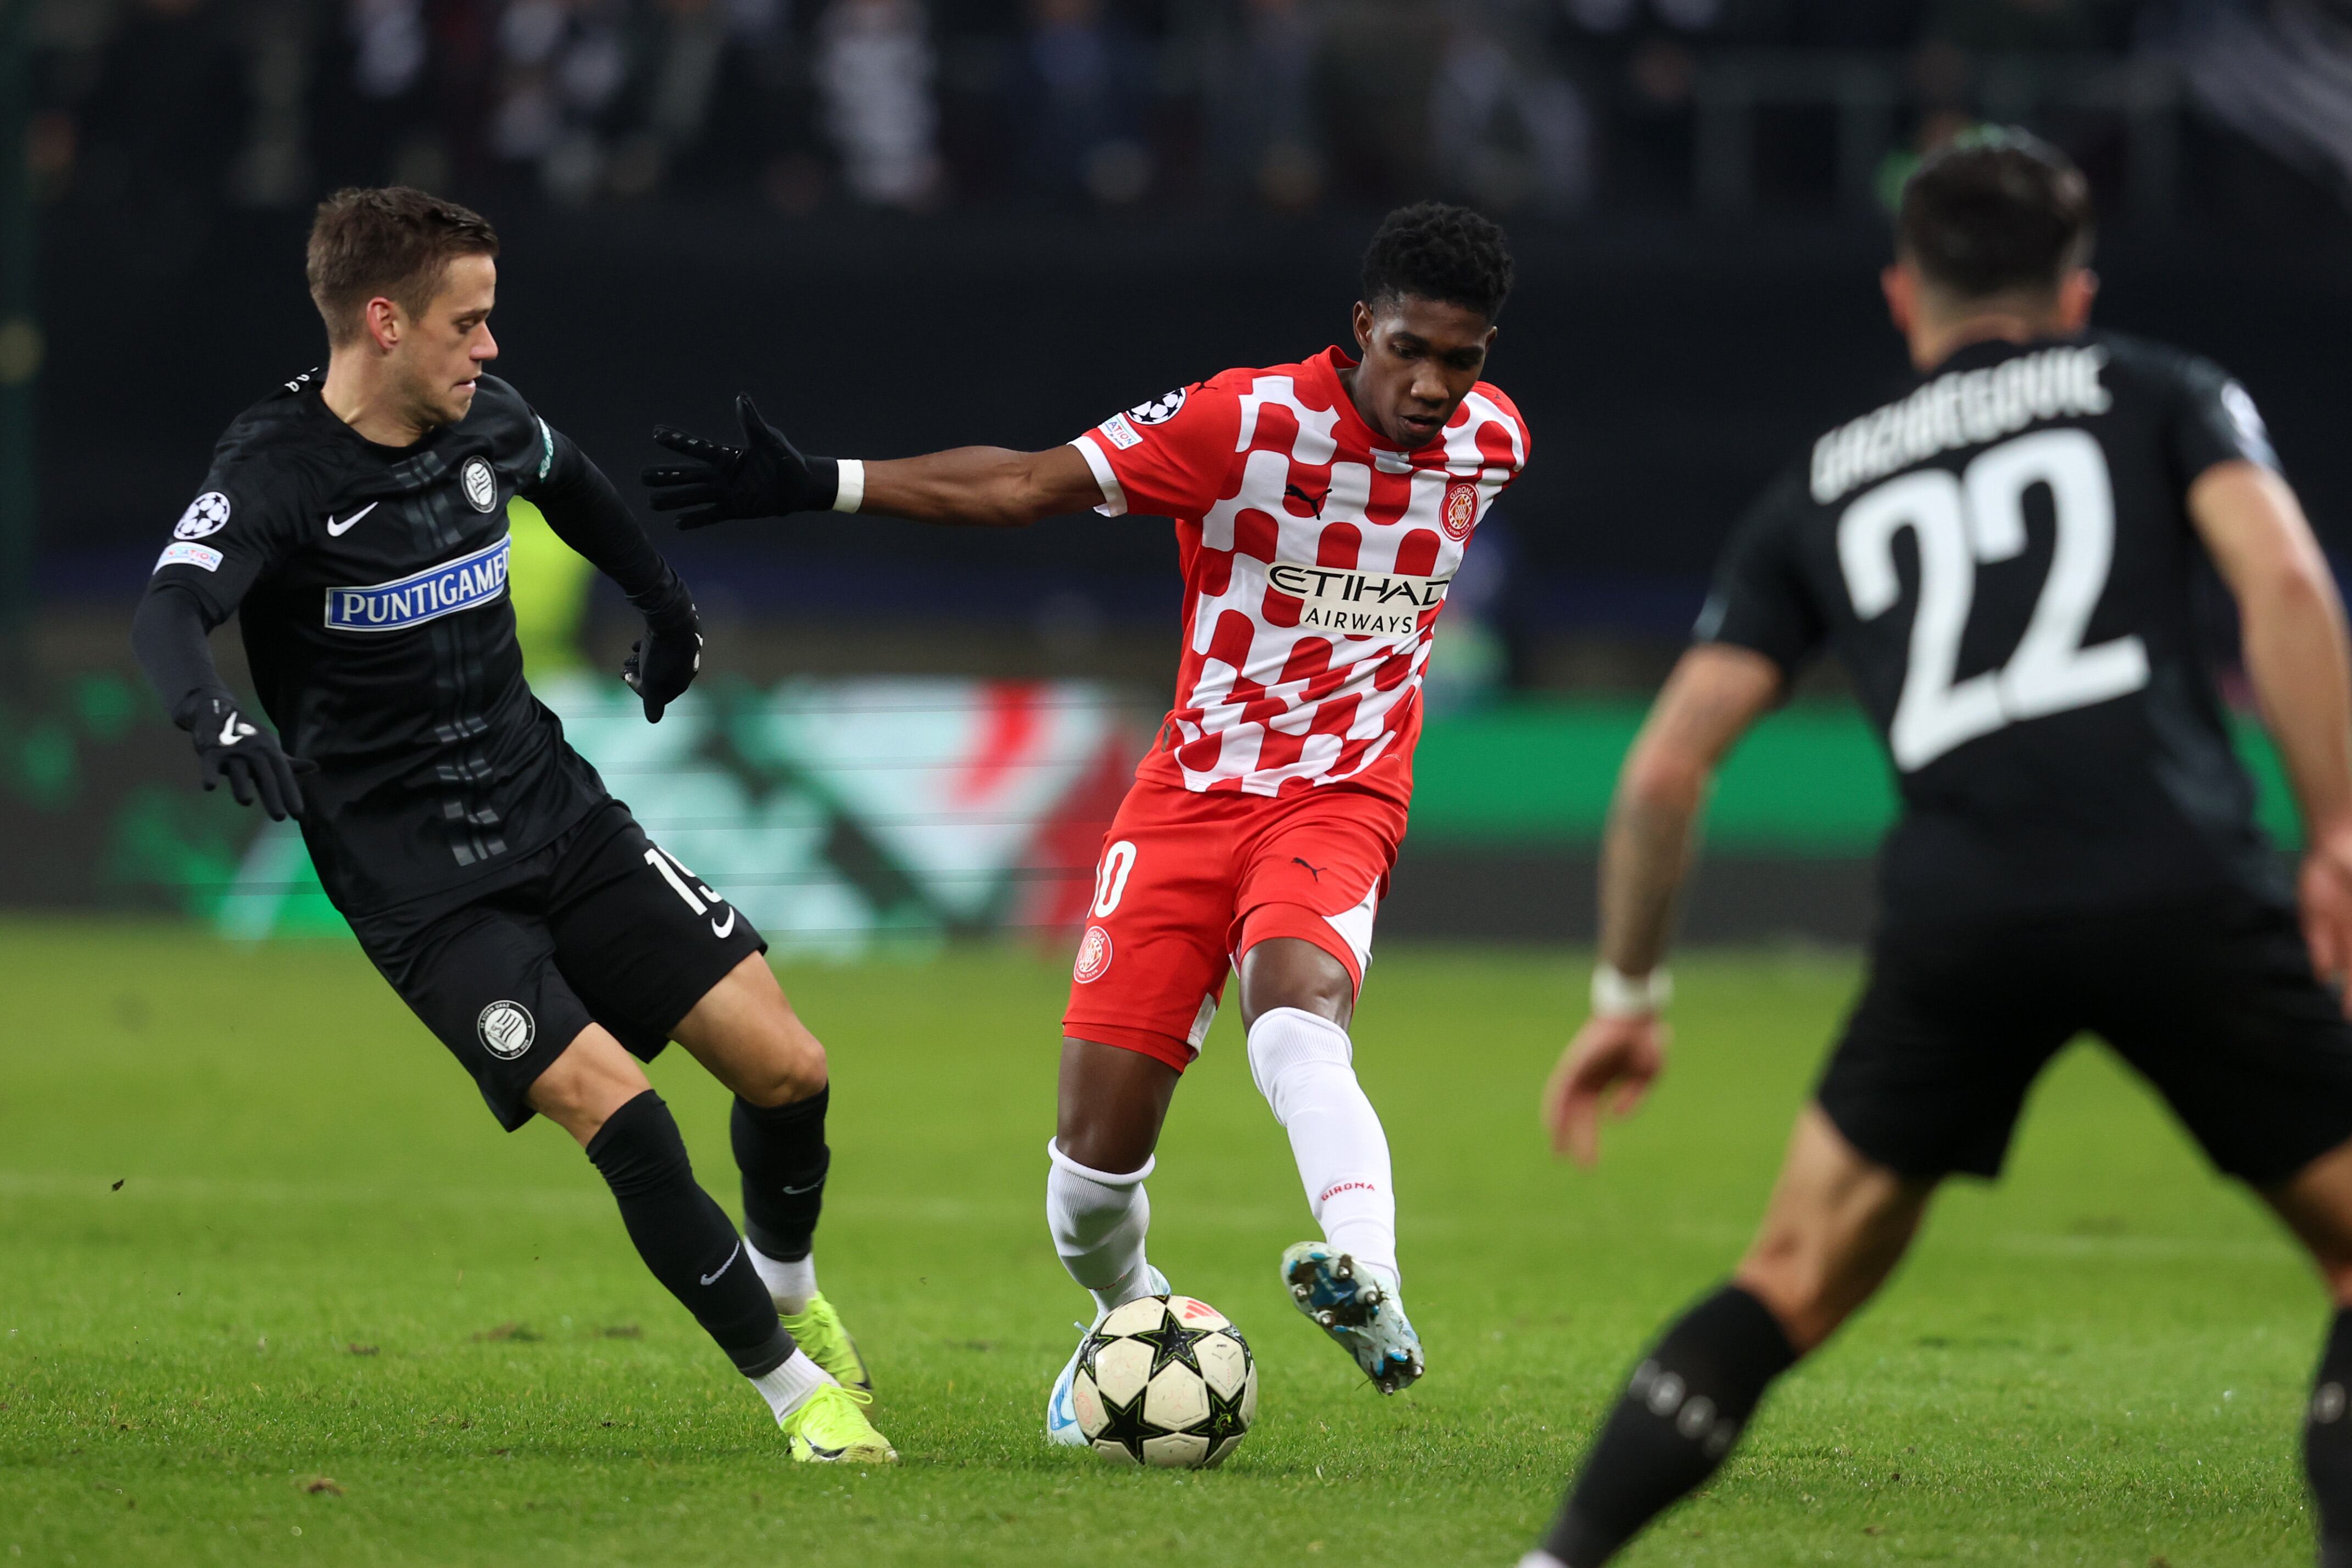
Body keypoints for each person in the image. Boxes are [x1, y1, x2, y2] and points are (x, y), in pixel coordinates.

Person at [1522, 130, 2352, 1565]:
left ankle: (1559, 1559)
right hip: (2176, 878)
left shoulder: (1825, 484)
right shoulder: (2159, 392)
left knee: (1787, 1280)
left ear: (1902, 296)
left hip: (1959, 914)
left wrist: (1626, 1000)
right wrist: (2335, 832)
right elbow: (2280, 576)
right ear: (2075, 293)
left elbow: (1664, 770)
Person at [640, 202, 1531, 1433]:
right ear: (1360, 327)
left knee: (1294, 1024)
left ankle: (1367, 1276)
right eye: (1411, 351)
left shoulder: (1494, 444)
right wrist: (822, 484)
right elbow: (1021, 484)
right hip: (1187, 801)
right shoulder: (1244, 422)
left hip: (1337, 797)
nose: (1435, 386)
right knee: (1087, 1192)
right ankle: (1132, 1319)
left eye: (1463, 358)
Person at [129, 187, 894, 1465]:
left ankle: (790, 1290)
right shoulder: (274, 473)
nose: (489, 349)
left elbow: (580, 490)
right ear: (383, 321)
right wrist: (215, 720)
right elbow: (167, 613)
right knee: (621, 1109)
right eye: (466, 322)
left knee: (790, 1069)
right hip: (422, 890)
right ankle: (793, 1400)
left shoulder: (487, 419)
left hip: (556, 810)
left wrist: (665, 607)